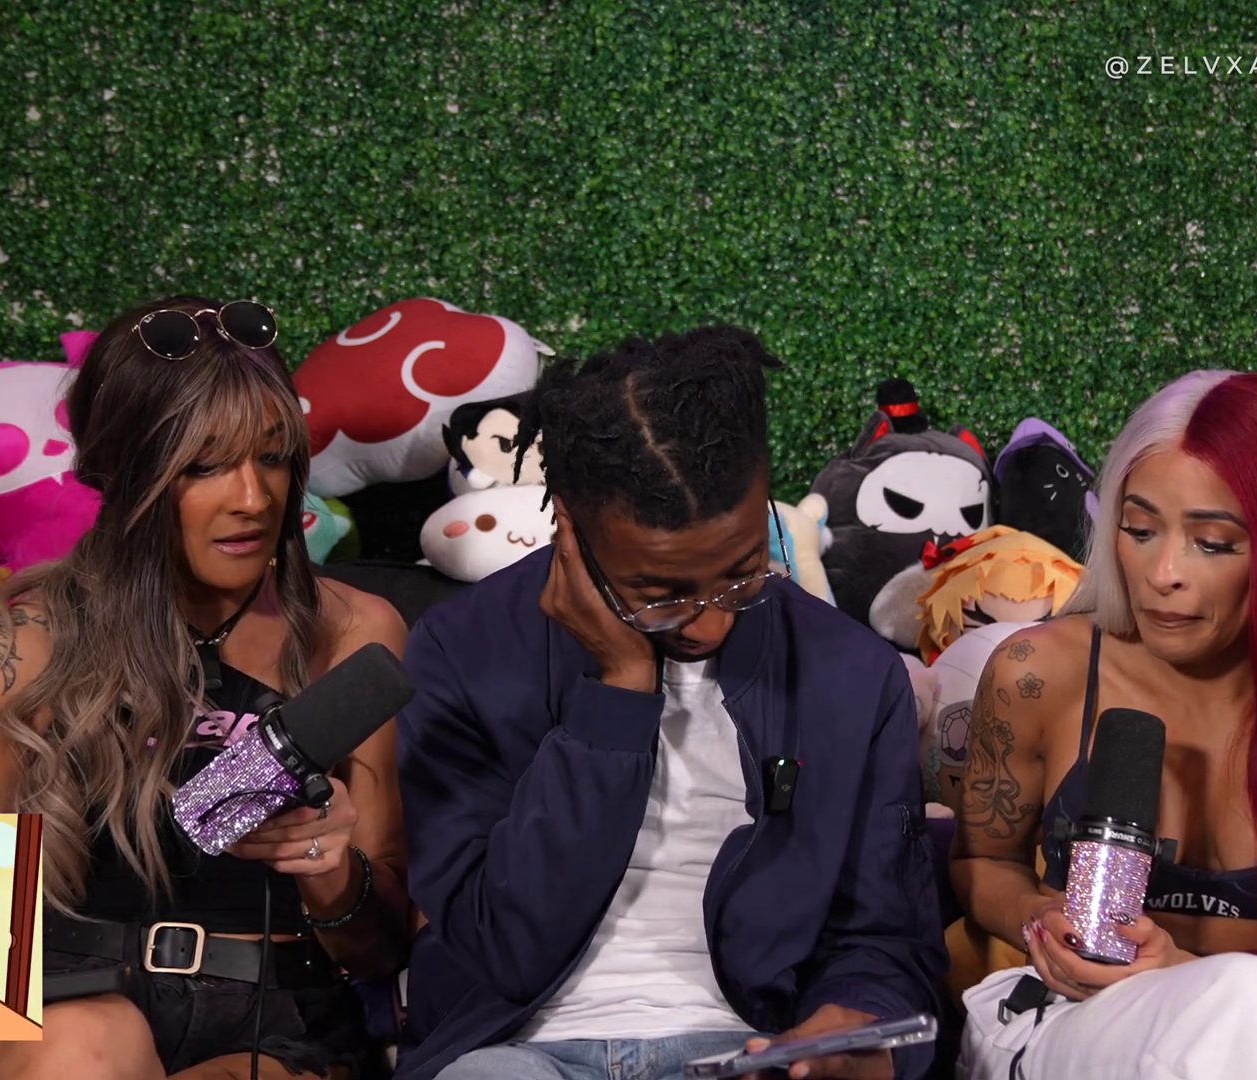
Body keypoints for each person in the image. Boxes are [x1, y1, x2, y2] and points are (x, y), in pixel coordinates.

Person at [0, 296, 412, 1080]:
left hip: (281, 1023)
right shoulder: (17, 648)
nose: (254, 499)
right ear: (124, 473)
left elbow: (380, 951)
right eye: (204, 466)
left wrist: (329, 867)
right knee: (93, 1045)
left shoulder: (355, 633)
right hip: (63, 1014)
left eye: (271, 457)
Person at [393, 326, 947, 1080]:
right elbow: (505, 948)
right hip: (512, 1051)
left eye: (742, 573)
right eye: (660, 595)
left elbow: (885, 938)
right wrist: (619, 691)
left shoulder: (849, 673)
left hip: (742, 1047)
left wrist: (851, 1025)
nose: (711, 623)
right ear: (569, 527)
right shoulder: (462, 651)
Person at [951, 370, 1257, 1080]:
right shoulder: (1038, 672)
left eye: (1212, 542)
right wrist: (1039, 915)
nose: (1163, 572)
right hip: (1083, 1024)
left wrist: (1188, 974)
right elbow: (980, 862)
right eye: (1139, 530)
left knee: (1248, 1000)